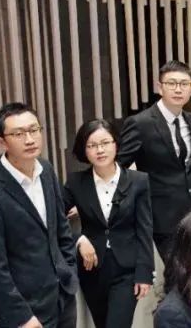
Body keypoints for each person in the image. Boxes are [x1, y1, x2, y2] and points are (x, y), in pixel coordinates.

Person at [0, 103, 78, 328]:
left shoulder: (45, 170)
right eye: (18, 134)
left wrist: (69, 271)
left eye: (34, 130)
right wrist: (21, 316)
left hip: (63, 297)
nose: (29, 139)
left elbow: (61, 228)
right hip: (28, 313)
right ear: (2, 142)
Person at [62, 119, 153, 328]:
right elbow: (54, 219)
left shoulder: (139, 181)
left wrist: (144, 273)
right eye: (92, 145)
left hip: (126, 270)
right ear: (84, 150)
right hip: (92, 268)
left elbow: (145, 228)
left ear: (116, 144)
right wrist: (78, 239)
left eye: (105, 143)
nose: (100, 150)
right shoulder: (76, 182)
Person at [118, 60, 191, 258]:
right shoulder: (140, 123)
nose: (178, 89)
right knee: (179, 271)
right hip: (163, 217)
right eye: (171, 83)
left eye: (184, 84)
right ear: (159, 87)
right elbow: (117, 167)